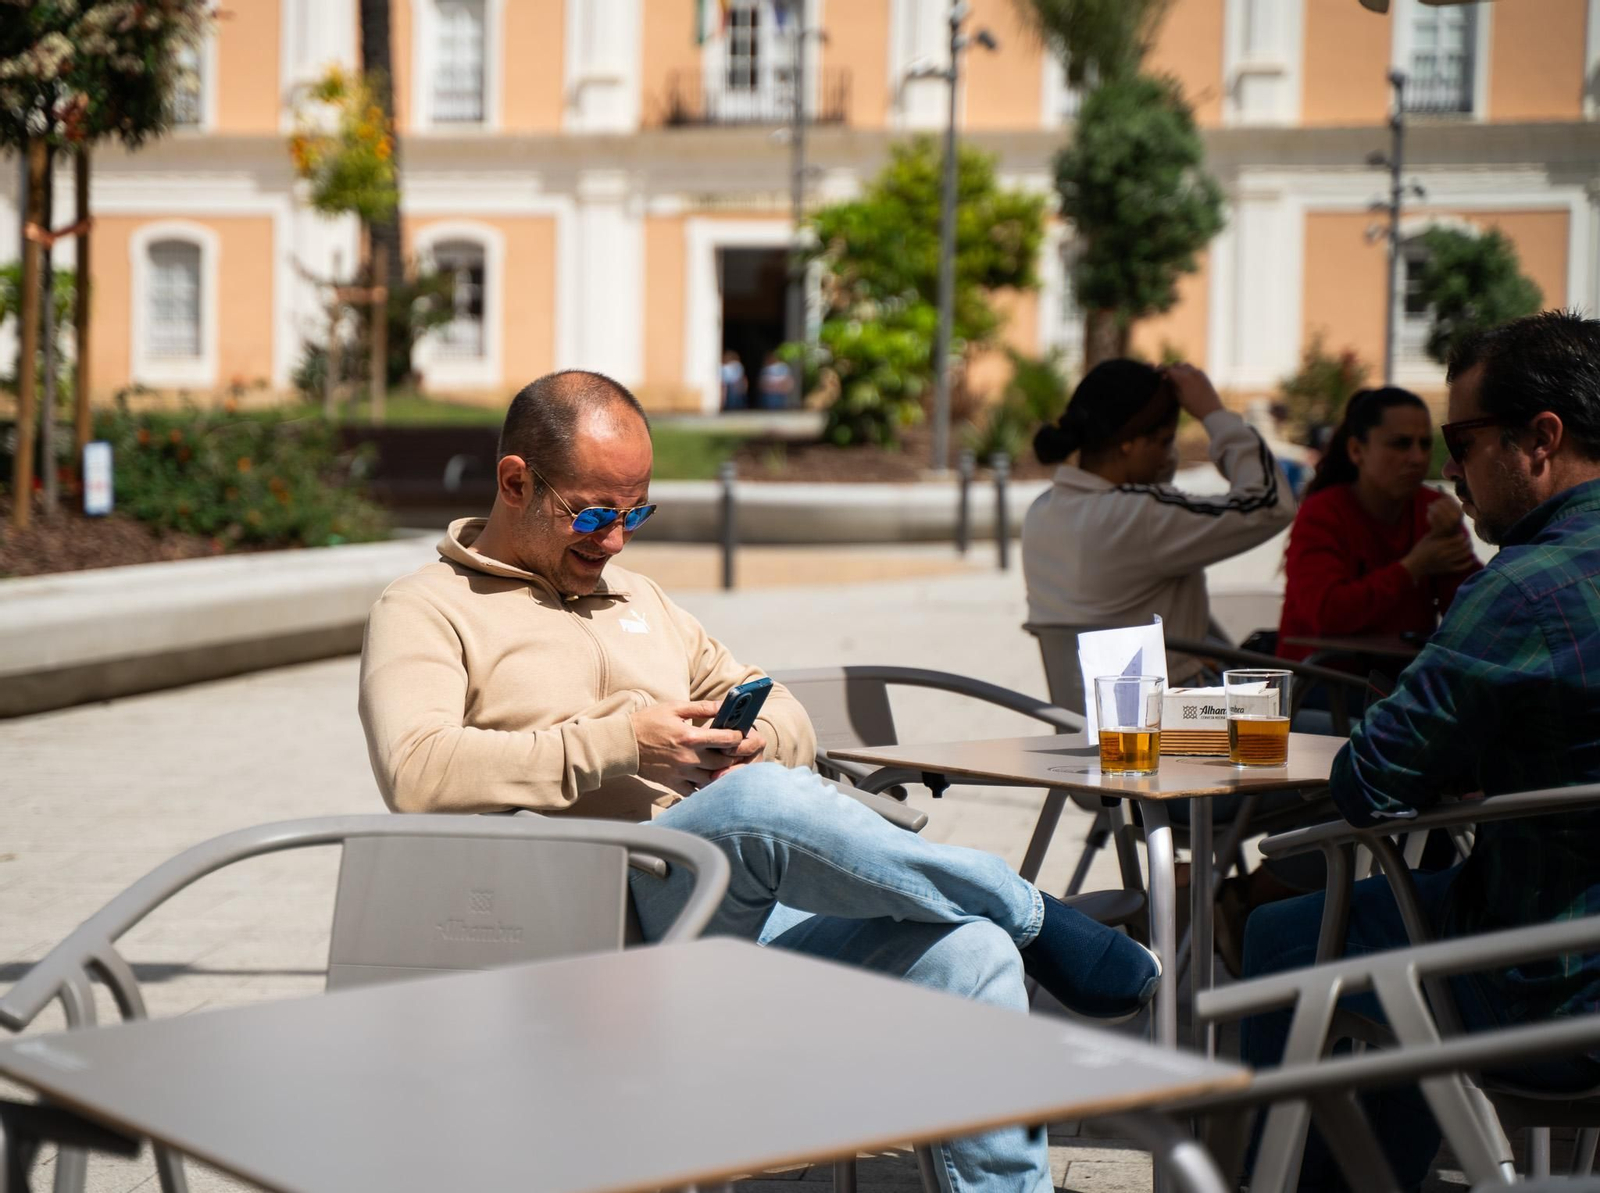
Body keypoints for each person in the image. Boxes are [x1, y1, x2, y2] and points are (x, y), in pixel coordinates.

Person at [359, 370, 1161, 1193]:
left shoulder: (643, 600)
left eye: (637, 513)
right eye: (594, 514)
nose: (616, 542)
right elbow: (417, 770)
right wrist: (622, 742)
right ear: (514, 481)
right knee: (757, 805)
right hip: (588, 927)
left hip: (745, 914)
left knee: (973, 954)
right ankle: (1027, 906)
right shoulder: (427, 607)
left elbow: (785, 711)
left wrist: (750, 741)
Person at [1242, 311, 1600, 1190]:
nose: (1448, 465)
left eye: (1461, 439)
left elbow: (1369, 781)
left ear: (1539, 440)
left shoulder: (1524, 586)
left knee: (1287, 930)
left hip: (1554, 987)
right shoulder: (1467, 557)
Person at [1022, 359, 1297, 686]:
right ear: (1130, 444)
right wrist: (1214, 414)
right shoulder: (1144, 515)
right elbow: (1270, 502)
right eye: (1166, 441)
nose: (1171, 457)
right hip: (1177, 723)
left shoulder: (1041, 512)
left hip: (1088, 724)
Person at [1276, 387, 1480, 666]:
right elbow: (1328, 614)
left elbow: (1472, 616)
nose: (1417, 458)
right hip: (1321, 685)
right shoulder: (1322, 513)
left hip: (1402, 685)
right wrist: (1413, 567)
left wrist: (1456, 550)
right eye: (1401, 444)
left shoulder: (1432, 510)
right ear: (1357, 450)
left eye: (1424, 444)